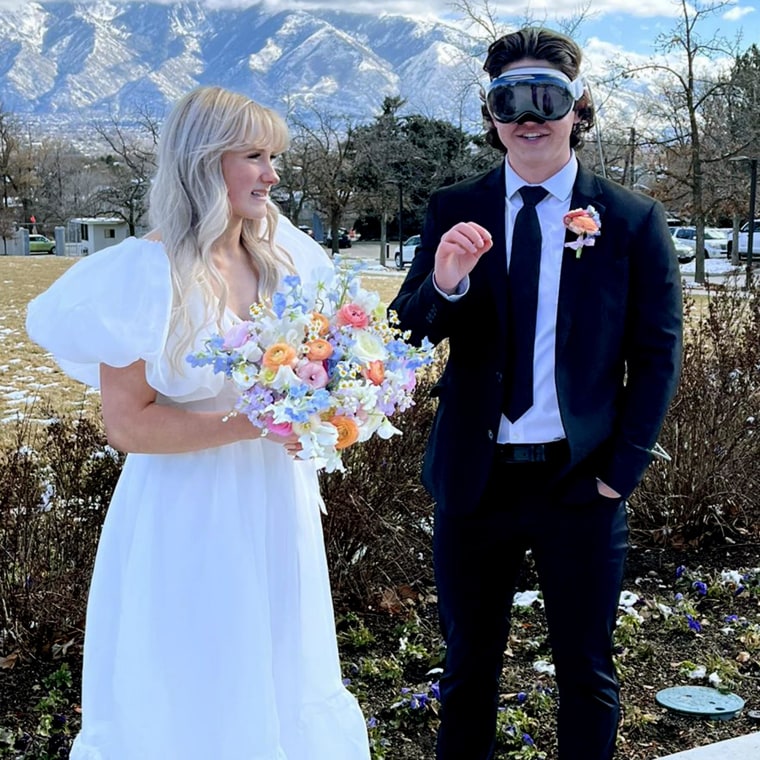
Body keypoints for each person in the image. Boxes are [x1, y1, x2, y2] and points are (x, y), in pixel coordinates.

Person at [26, 86, 370, 760]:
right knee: (194, 675)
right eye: (255, 156)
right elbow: (126, 425)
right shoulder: (146, 276)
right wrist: (247, 424)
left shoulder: (283, 260)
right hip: (187, 512)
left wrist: (336, 405)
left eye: (274, 157)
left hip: (276, 501)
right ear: (204, 162)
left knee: (279, 664)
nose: (272, 174)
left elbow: (322, 363)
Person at [389, 27, 682, 760]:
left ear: (578, 108)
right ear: (490, 116)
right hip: (474, 483)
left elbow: (657, 355)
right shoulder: (454, 206)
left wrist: (622, 472)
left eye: (545, 98)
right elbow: (409, 333)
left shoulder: (632, 219)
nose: (529, 116)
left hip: (581, 483)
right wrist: (446, 281)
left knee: (587, 674)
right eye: (508, 100)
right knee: (466, 674)